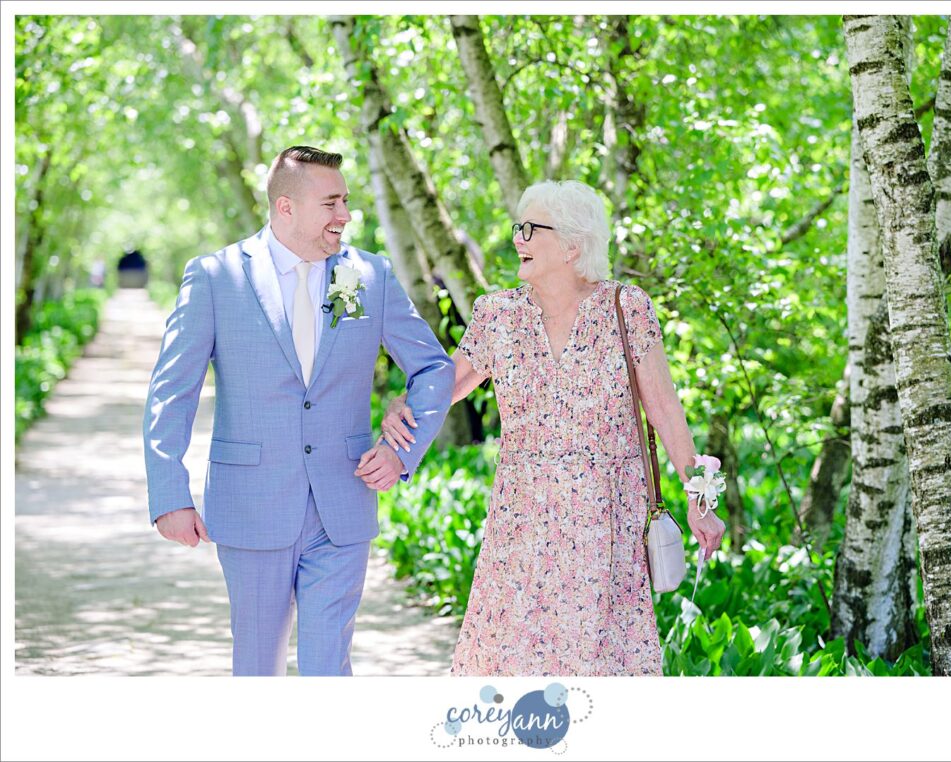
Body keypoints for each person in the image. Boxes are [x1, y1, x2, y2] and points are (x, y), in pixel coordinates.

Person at [381, 180, 726, 676]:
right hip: (522, 525)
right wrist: (402, 403)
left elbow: (667, 413)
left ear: (571, 244)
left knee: (598, 667)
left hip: (606, 525)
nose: (517, 238)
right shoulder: (497, 315)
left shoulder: (626, 308)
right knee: (514, 663)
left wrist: (702, 501)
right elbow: (445, 386)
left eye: (529, 229)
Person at [142, 146, 454, 676]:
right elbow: (172, 391)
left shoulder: (366, 276)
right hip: (250, 505)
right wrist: (169, 493)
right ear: (285, 207)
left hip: (343, 503)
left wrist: (402, 452)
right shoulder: (216, 277)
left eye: (347, 201)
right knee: (258, 667)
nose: (345, 216)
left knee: (327, 669)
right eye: (331, 202)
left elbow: (434, 368)